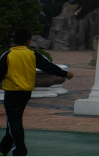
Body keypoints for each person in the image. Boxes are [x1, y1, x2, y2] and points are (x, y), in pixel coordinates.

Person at [1, 28, 73, 156]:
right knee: (13, 120)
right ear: (28, 41)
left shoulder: (7, 55)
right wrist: (65, 74)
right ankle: (3, 148)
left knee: (14, 120)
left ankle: (20, 150)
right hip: (26, 93)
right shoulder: (33, 54)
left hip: (12, 92)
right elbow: (48, 67)